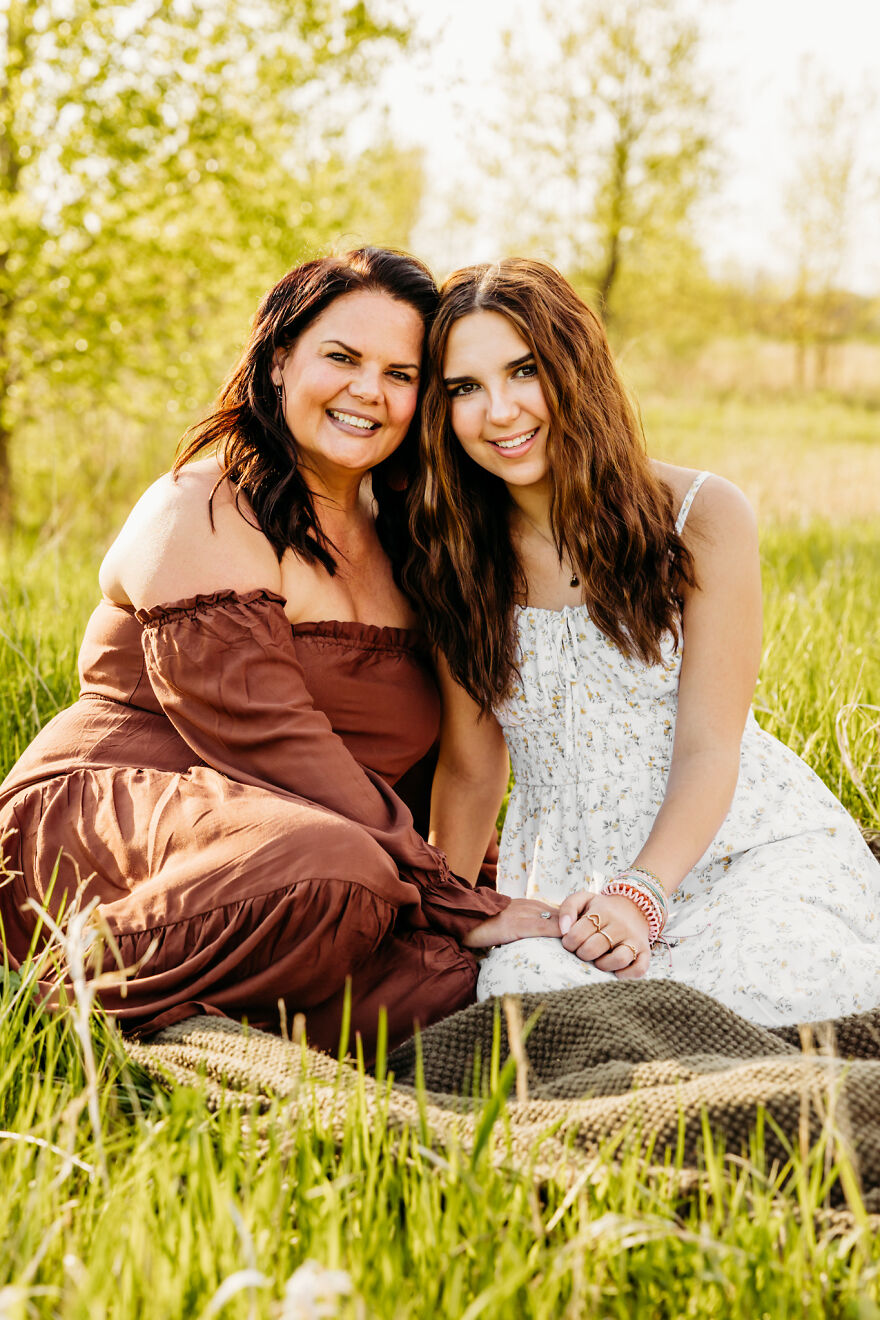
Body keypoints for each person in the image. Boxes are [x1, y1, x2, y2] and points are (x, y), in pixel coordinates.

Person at [0, 247, 558, 1058]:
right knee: (341, 876)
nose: (369, 390)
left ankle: (251, 1001)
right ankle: (56, 975)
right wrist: (446, 894)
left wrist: (469, 893)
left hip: (327, 842)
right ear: (277, 363)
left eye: (401, 373)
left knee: (484, 966)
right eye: (341, 357)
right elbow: (269, 737)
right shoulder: (204, 505)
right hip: (118, 829)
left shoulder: (414, 534)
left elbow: (453, 760)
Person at [403, 256, 880, 1027]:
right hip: (572, 890)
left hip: (738, 846)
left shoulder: (699, 515)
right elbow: (469, 769)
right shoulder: (453, 558)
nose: (499, 411)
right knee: (523, 1002)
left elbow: (709, 747)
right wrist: (447, 918)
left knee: (781, 986)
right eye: (465, 387)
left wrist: (642, 896)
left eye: (524, 371)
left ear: (575, 370)